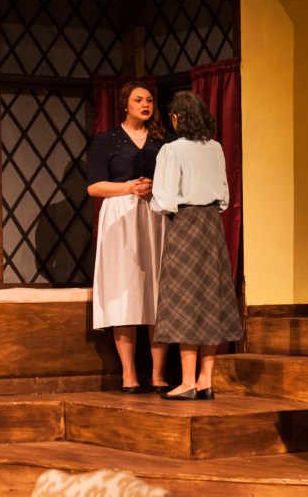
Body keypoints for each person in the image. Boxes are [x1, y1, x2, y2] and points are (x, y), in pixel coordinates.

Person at [149, 91, 243, 400]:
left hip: (186, 223)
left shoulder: (172, 150)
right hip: (212, 225)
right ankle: (206, 380)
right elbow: (224, 195)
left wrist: (155, 202)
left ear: (176, 118)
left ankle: (188, 381)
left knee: (185, 298)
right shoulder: (215, 148)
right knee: (210, 297)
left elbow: (164, 199)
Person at [86, 81, 171, 394]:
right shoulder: (106, 140)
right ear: (125, 104)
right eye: (138, 100)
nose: (145, 105)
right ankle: (129, 374)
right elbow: (94, 187)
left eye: (149, 100)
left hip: (155, 214)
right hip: (120, 216)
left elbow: (174, 179)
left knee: (157, 291)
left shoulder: (163, 141)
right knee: (125, 291)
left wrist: (154, 188)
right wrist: (129, 187)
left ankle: (159, 374)